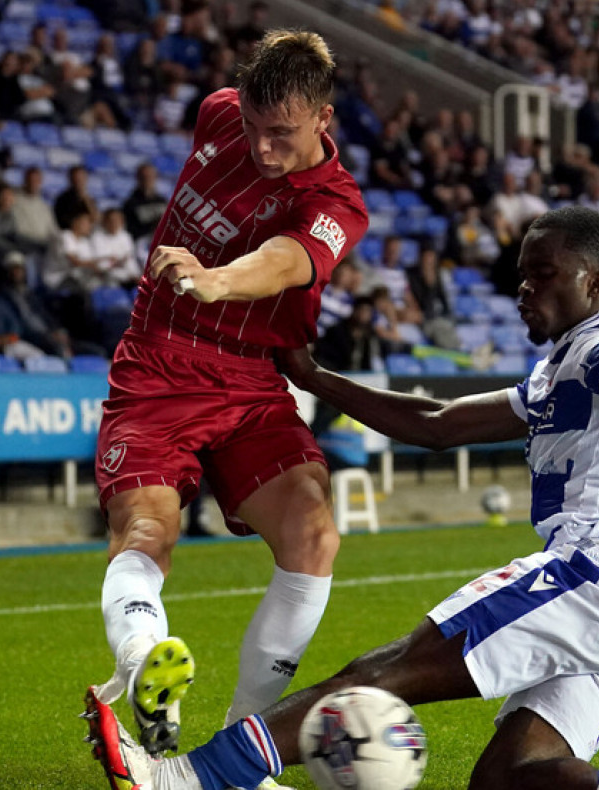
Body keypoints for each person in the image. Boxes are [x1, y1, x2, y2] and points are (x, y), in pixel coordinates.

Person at [84, 207, 599, 790]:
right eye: (521, 275)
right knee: (509, 777)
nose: (525, 289)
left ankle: (181, 779)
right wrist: (313, 377)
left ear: (595, 284)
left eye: (543, 274)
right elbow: (437, 423)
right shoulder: (555, 373)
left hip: (597, 576)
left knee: (383, 673)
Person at [83, 27, 369, 778]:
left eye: (281, 134)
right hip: (159, 361)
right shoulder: (216, 113)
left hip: (249, 380)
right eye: (251, 126)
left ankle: (242, 747)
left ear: (323, 120)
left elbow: (286, 260)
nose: (262, 148)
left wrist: (216, 279)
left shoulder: (336, 203)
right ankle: (145, 665)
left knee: (313, 533)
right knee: (147, 528)